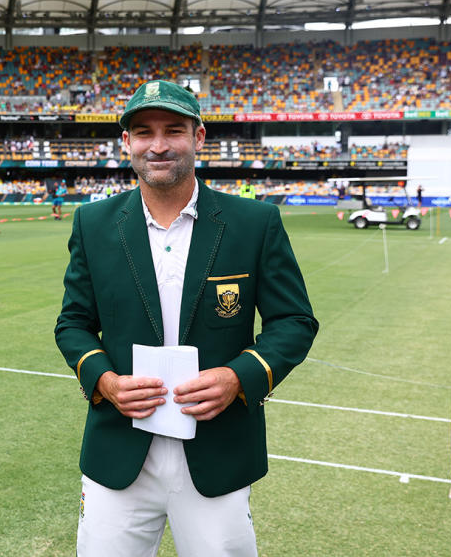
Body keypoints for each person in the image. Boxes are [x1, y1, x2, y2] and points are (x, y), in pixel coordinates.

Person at [55, 80, 318, 556]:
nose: (157, 145)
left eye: (173, 130)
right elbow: (72, 322)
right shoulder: (92, 223)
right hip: (120, 450)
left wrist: (239, 377)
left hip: (218, 451)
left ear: (198, 137)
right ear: (126, 143)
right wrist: (106, 381)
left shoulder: (254, 223)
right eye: (143, 132)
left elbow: (294, 321)